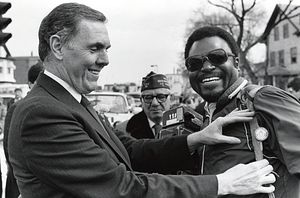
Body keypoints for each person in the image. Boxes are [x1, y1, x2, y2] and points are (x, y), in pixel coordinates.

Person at [8, 3, 275, 198]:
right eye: (95, 48)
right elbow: (121, 188)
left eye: (106, 49)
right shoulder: (42, 113)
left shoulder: (70, 102)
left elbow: (129, 153)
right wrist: (222, 184)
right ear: (57, 47)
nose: (105, 59)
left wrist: (197, 138)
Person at [184, 26, 300, 197]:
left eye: (217, 57)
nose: (207, 67)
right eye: (195, 63)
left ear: (236, 63)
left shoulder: (263, 99)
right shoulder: (206, 115)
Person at [3, 62, 44, 198]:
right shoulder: (17, 108)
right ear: (30, 84)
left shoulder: (50, 107)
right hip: (21, 180)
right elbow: (9, 148)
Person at [115, 71, 171, 139]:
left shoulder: (184, 127)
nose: (155, 103)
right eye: (148, 98)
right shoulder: (123, 130)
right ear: (141, 101)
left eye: (161, 97)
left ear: (170, 99)